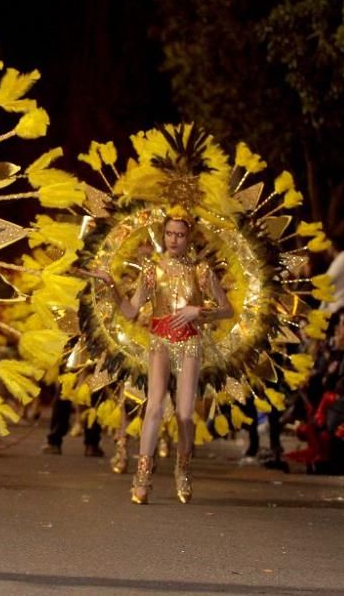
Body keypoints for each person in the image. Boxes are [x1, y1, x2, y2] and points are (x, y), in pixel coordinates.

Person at [84, 209, 233, 504]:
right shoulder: (152, 272)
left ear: (188, 237)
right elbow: (130, 312)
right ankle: (142, 477)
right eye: (169, 233)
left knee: (185, 414)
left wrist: (198, 312)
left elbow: (228, 309)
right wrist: (110, 283)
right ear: (163, 235)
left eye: (179, 234)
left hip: (190, 342)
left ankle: (183, 469)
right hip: (159, 342)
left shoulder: (201, 272)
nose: (174, 239)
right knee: (153, 408)